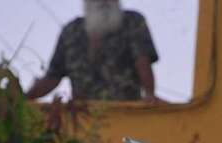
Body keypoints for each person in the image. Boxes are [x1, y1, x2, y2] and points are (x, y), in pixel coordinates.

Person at [26, 0, 159, 102]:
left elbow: (142, 61)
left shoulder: (132, 21)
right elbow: (53, 77)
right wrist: (23, 99)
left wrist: (149, 94)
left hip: (127, 114)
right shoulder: (71, 32)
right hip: (83, 119)